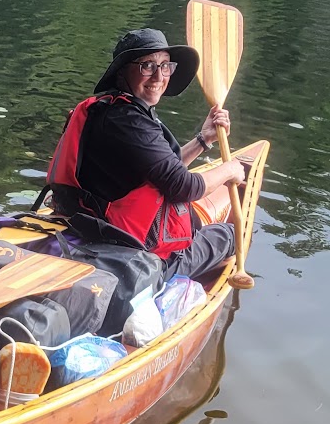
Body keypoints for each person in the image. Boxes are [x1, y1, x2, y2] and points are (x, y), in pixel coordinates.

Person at [45, 26, 247, 280]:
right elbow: (184, 187)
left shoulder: (107, 110)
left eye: (164, 66)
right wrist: (230, 170)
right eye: (147, 66)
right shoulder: (129, 121)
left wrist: (203, 140)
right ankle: (183, 287)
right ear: (122, 72)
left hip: (88, 225)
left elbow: (160, 171)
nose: (158, 77)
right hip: (130, 251)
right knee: (230, 234)